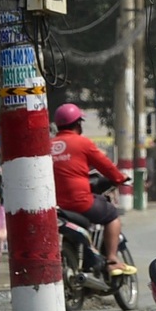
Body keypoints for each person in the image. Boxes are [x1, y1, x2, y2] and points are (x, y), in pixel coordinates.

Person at [49, 103, 134, 279]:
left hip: (57, 206)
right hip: (81, 203)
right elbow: (106, 166)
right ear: (78, 124)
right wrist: (120, 178)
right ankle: (111, 258)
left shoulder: (48, 145)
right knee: (111, 215)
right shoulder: (82, 143)